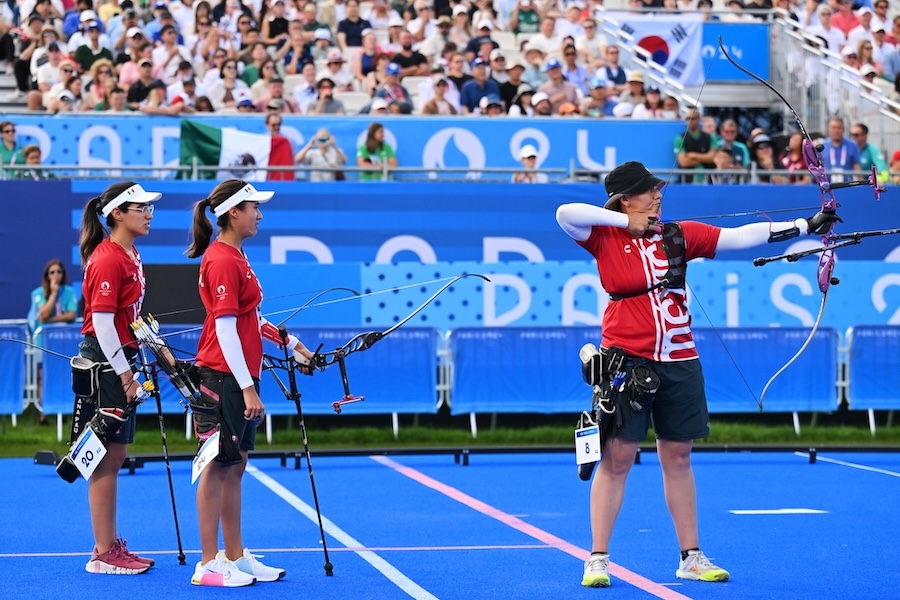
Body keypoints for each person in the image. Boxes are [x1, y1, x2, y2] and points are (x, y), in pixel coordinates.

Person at [555, 160, 841, 589]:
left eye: (657, 190)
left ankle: (691, 556)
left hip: (680, 359)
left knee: (678, 455)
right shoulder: (604, 236)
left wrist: (807, 224)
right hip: (627, 362)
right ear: (624, 199)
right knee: (616, 458)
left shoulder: (678, 234)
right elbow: (565, 213)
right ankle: (597, 558)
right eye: (647, 191)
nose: (657, 196)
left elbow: (741, 236)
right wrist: (625, 220)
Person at [186, 179, 315, 587]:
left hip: (238, 375)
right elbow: (225, 329)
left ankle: (236, 557)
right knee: (218, 466)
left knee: (236, 466)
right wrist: (246, 387)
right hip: (223, 376)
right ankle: (208, 563)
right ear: (233, 212)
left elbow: (251, 319)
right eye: (254, 208)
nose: (259, 215)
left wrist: (292, 344)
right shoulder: (222, 258)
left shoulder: (237, 255)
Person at [78, 181, 163, 574]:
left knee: (115, 456)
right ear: (117, 213)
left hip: (121, 359)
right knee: (104, 459)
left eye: (149, 207)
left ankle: (109, 544)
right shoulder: (108, 257)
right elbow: (101, 323)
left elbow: (126, 320)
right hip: (106, 363)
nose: (148, 213)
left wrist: (150, 349)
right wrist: (127, 374)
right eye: (140, 207)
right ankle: (103, 550)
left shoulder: (131, 253)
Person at [27, 258, 78, 424]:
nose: (56, 275)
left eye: (59, 272)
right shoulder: (38, 293)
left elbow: (71, 314)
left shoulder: (69, 292)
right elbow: (42, 314)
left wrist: (51, 320)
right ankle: (44, 413)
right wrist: (53, 294)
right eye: (52, 272)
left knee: (65, 376)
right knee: (43, 376)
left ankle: (63, 409)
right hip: (44, 343)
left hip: (64, 343)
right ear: (47, 275)